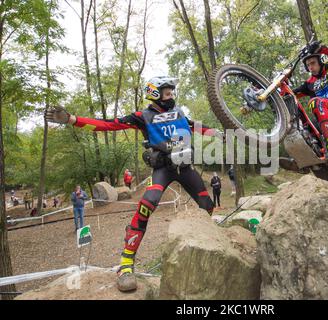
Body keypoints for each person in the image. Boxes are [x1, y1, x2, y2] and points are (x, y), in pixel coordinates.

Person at [45, 75, 223, 292]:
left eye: (172, 93)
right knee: (148, 203)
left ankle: (208, 245)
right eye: (168, 93)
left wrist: (219, 134)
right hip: (163, 169)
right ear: (155, 94)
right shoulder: (142, 116)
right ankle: (126, 263)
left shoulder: (179, 113)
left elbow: (198, 126)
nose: (172, 96)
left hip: (185, 168)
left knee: (207, 205)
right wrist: (72, 119)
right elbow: (107, 125)